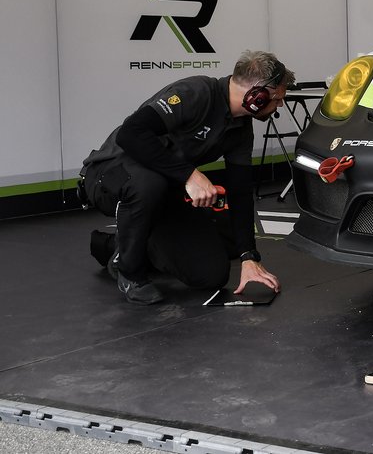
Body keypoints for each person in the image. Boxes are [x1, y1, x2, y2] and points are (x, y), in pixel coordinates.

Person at [81, 50, 295, 304]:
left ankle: (120, 246)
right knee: (150, 184)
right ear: (257, 96)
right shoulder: (196, 92)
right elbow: (131, 133)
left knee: (211, 274)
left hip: (164, 190)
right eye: (277, 98)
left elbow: (240, 192)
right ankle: (129, 272)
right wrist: (189, 175)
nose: (279, 105)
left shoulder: (240, 129)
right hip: (109, 175)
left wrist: (249, 256)